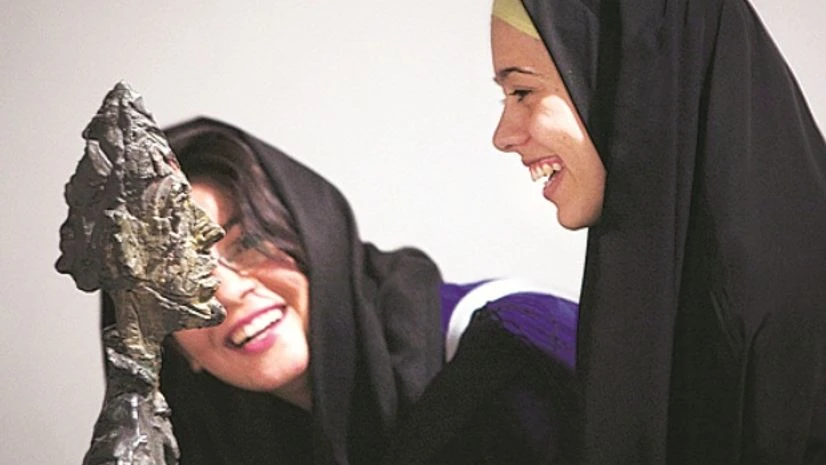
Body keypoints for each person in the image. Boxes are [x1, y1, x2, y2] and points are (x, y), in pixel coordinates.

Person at [99, 116, 579, 465]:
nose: (224, 293)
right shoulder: (224, 448)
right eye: (173, 281)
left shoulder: (517, 352)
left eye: (246, 242)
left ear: (314, 237)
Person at [490, 0, 826, 463]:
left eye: (523, 92)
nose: (502, 135)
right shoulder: (676, 277)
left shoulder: (764, 317)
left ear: (626, 79)